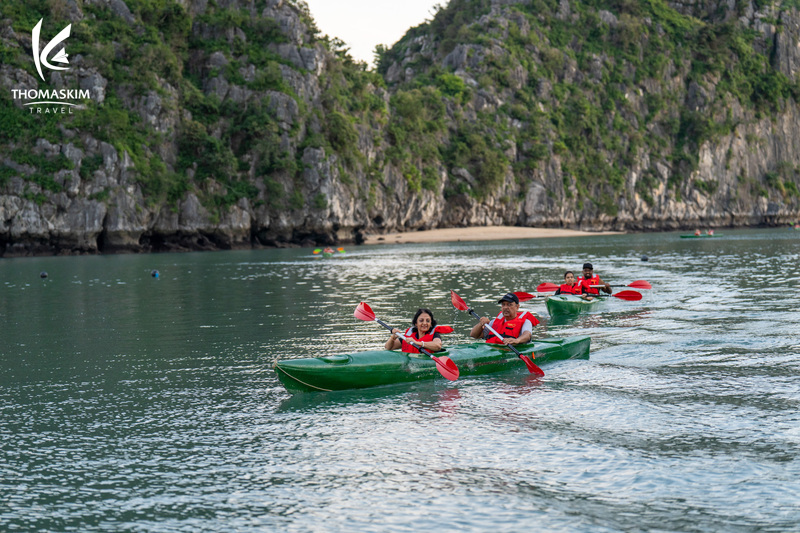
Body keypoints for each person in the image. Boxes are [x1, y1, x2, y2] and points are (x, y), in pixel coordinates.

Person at [469, 293, 539, 346]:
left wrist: (517, 340)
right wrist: (480, 324)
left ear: (517, 307)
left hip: (509, 352)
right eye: (503, 304)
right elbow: (474, 335)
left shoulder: (526, 322)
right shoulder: (494, 322)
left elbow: (527, 335)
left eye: (509, 305)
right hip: (493, 351)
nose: (505, 307)